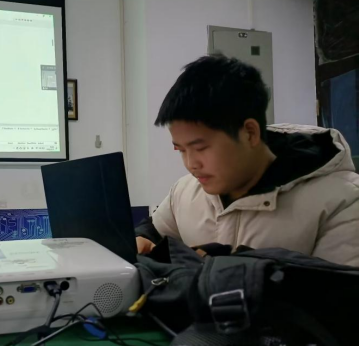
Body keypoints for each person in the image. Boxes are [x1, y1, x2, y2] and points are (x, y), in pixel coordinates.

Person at [135, 55, 358, 267]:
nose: (191, 164)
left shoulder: (343, 201)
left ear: (250, 133)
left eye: (201, 148)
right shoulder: (184, 192)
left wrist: (218, 269)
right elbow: (152, 231)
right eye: (180, 150)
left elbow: (340, 289)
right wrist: (141, 240)